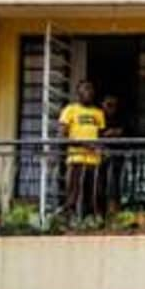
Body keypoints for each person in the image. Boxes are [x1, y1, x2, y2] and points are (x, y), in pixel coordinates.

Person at [58, 80, 105, 218]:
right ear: (78, 93)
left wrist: (101, 147)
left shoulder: (98, 113)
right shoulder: (70, 110)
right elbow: (62, 136)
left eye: (91, 89)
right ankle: (70, 219)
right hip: (76, 158)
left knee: (93, 193)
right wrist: (84, 145)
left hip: (94, 160)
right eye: (85, 89)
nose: (89, 92)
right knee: (73, 192)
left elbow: (101, 136)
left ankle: (90, 220)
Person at [98, 94, 127, 215]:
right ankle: (99, 212)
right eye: (109, 105)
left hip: (117, 157)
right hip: (99, 157)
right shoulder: (98, 117)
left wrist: (116, 132)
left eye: (114, 106)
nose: (111, 108)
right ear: (102, 105)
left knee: (115, 186)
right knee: (99, 186)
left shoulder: (121, 118)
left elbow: (128, 131)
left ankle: (113, 213)